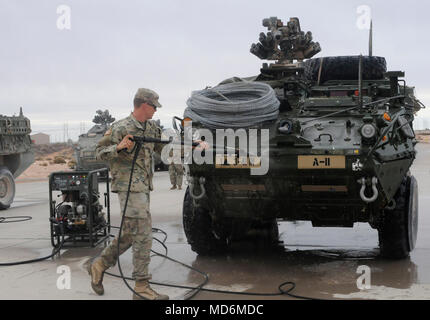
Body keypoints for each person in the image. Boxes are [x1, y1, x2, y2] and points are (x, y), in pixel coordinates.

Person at [87, 88, 169, 300]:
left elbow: (165, 149)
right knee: (143, 234)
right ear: (143, 104)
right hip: (128, 186)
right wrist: (119, 147)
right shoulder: (120, 127)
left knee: (130, 234)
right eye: (153, 107)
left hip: (143, 188)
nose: (155, 111)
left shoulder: (151, 127)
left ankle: (99, 264)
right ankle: (141, 287)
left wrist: (195, 146)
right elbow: (98, 153)